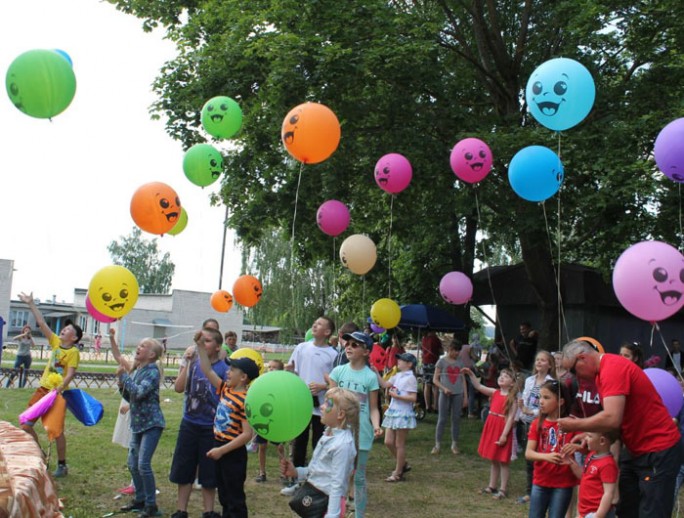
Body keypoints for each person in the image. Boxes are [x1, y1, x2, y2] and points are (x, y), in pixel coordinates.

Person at [558, 339, 681, 518]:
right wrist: (589, 436)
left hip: (658, 449)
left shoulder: (612, 368)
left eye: (572, 370)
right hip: (635, 450)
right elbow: (617, 424)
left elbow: (612, 418)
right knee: (625, 508)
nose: (575, 376)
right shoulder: (600, 374)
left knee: (652, 512)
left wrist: (575, 425)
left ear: (582, 358)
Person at [18, 291, 82, 478]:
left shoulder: (73, 352)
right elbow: (42, 323)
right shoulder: (55, 343)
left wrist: (61, 387)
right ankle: (39, 454)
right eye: (64, 328)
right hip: (42, 390)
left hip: (57, 394)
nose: (64, 329)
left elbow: (71, 373)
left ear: (74, 338)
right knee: (26, 425)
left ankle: (62, 465)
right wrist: (31, 304)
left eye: (69, 329)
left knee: (56, 431)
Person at [196, 333, 259, 518]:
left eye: (232, 370)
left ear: (243, 377)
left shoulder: (247, 400)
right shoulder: (225, 389)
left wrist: (222, 450)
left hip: (232, 452)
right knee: (223, 493)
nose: (227, 372)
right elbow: (207, 370)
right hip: (219, 445)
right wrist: (200, 346)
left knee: (234, 497)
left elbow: (247, 435)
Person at [169, 325, 228, 518]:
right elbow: (178, 388)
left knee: (209, 472)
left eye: (208, 341)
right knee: (184, 467)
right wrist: (187, 361)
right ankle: (181, 510)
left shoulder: (224, 369)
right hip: (190, 423)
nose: (203, 344)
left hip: (211, 427)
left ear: (218, 347)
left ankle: (208, 511)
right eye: (201, 341)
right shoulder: (193, 363)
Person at [110, 329, 165, 518]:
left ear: (151, 354)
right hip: (138, 424)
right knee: (132, 464)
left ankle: (151, 505)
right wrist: (121, 385)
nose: (139, 347)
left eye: (144, 346)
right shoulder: (140, 370)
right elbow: (131, 396)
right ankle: (140, 499)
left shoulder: (152, 372)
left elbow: (140, 392)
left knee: (143, 464)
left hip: (151, 424)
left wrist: (125, 377)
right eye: (139, 344)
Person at [280, 387, 359, 518]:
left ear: (340, 415)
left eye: (327, 404)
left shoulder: (343, 445)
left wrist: (332, 514)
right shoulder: (328, 433)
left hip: (327, 506)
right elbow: (318, 471)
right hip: (315, 499)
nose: (321, 407)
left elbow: (337, 484)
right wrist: (296, 472)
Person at [329, 331, 382, 517]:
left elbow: (373, 408)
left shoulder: (370, 377)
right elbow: (331, 404)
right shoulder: (337, 372)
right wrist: (329, 428)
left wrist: (376, 425)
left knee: (358, 477)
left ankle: (359, 514)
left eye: (355, 345)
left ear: (366, 351)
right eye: (347, 344)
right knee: (338, 477)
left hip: (362, 433)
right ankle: (336, 512)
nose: (349, 347)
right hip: (339, 431)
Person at [286, 316, 338, 482]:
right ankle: (296, 479)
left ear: (327, 332)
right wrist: (290, 371)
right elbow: (293, 372)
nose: (315, 325)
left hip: (323, 406)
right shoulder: (302, 348)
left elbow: (336, 383)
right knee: (299, 442)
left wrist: (323, 386)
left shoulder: (333, 354)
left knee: (319, 442)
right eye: (314, 323)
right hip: (302, 403)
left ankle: (316, 478)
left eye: (320, 324)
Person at [462, 367, 518, 500]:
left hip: (502, 428)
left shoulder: (512, 399)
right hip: (492, 425)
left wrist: (504, 435)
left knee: (503, 460)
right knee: (494, 459)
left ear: (512, 383)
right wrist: (470, 374)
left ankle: (503, 489)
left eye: (506, 376)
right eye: (501, 375)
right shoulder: (495, 392)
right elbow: (479, 386)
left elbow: (510, 418)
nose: (502, 377)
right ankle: (492, 485)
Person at [525, 380, 578, 518]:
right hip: (540, 480)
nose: (541, 401)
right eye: (540, 397)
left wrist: (577, 446)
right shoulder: (537, 423)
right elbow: (528, 453)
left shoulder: (571, 424)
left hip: (563, 483)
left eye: (546, 398)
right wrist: (546, 457)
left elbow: (587, 446)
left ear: (560, 402)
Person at [517, 350, 556, 505]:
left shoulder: (550, 382)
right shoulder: (530, 380)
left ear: (550, 364)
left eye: (543, 360)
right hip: (527, 422)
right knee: (529, 458)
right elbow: (526, 399)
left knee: (541, 456)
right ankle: (530, 491)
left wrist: (530, 411)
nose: (539, 362)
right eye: (537, 359)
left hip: (542, 422)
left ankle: (542, 490)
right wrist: (522, 407)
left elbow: (548, 404)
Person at [377, 352, 418, 482]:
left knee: (399, 444)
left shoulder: (411, 378)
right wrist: (375, 372)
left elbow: (413, 398)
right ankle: (403, 463)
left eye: (402, 360)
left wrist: (397, 396)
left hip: (403, 413)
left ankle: (398, 472)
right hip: (393, 411)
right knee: (388, 441)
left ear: (409, 364)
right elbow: (384, 385)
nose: (398, 361)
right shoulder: (398, 375)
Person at [567, 430, 619, 518]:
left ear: (602, 441)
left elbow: (608, 493)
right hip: (586, 511)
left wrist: (598, 515)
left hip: (596, 512)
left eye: (590, 436)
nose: (586, 438)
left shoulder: (608, 464)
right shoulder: (592, 455)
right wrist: (569, 460)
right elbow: (583, 477)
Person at [431, 339, 468, 455]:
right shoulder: (441, 362)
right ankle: (437, 445)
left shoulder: (460, 363)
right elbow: (435, 380)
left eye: (459, 351)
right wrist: (444, 388)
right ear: (450, 350)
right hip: (445, 394)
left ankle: (454, 444)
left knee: (456, 419)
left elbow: (463, 380)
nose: (457, 353)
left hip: (458, 394)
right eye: (455, 351)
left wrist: (465, 397)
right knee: (442, 419)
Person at [255, 359, 286, 483]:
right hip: (264, 418)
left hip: (277, 419)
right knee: (262, 446)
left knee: (280, 447)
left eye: (274, 367)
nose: (271, 369)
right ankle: (262, 472)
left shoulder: (283, 385)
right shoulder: (263, 383)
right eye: (270, 367)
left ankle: (284, 473)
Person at [421, 330, 443, 413]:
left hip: (425, 363)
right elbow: (441, 351)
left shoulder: (423, 339)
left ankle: (427, 406)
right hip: (434, 363)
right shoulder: (436, 339)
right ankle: (435, 407)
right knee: (435, 385)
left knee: (427, 384)